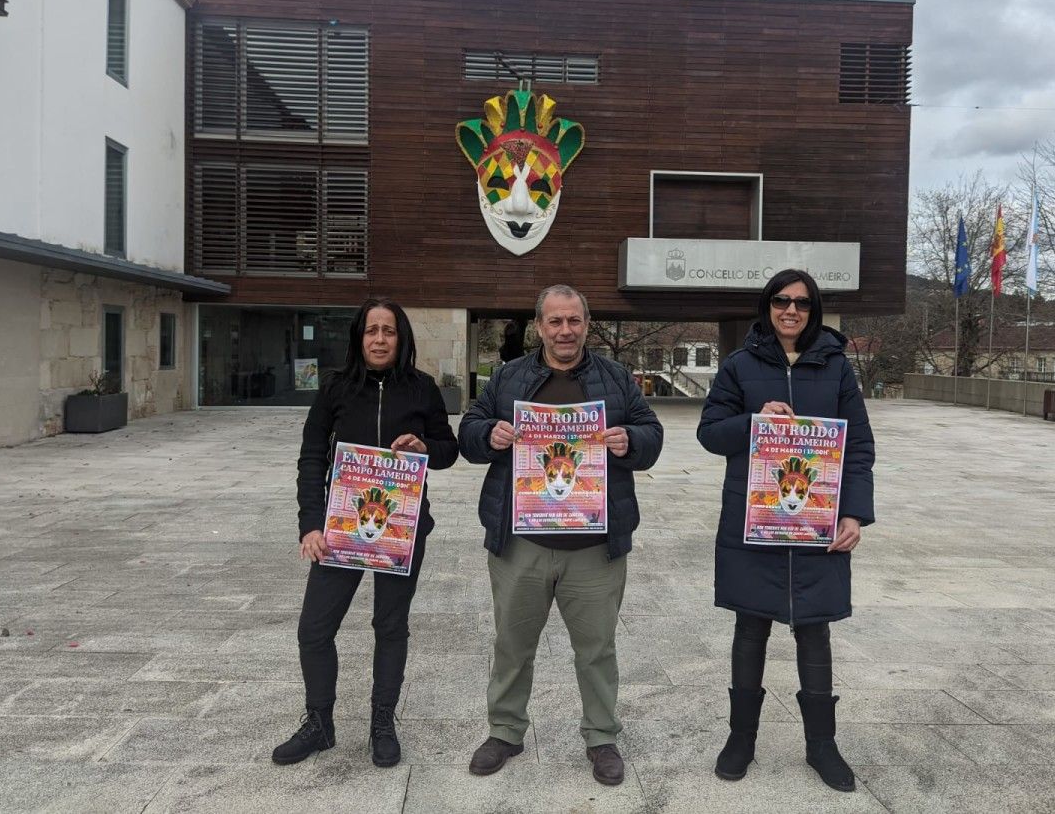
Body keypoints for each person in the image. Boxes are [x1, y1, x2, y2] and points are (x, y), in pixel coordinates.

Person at [459, 285, 663, 786]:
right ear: (539, 326)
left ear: (586, 324)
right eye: (555, 322)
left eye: (573, 321)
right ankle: (505, 730)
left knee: (596, 647)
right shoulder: (509, 376)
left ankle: (601, 736)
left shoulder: (616, 379)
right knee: (512, 642)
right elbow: (469, 427)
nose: (565, 331)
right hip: (521, 540)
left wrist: (629, 440)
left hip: (595, 545)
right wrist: (489, 435)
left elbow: (652, 434)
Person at [697, 269, 875, 792]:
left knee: (814, 629)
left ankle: (822, 745)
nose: (790, 310)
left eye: (800, 303)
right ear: (767, 306)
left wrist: (853, 513)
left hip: (816, 521)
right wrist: (755, 420)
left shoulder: (838, 369)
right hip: (755, 520)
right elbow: (710, 432)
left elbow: (858, 448)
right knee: (750, 627)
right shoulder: (739, 365)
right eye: (781, 301)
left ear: (812, 309)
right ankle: (741, 738)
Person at [272, 298, 459, 768]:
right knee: (314, 629)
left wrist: (424, 447)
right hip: (341, 528)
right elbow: (312, 456)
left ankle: (382, 722)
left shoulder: (422, 389)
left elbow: (448, 449)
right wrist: (310, 524)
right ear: (360, 337)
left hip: (402, 529)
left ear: (402, 338)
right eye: (371, 330)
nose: (379, 339)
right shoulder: (336, 388)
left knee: (390, 626)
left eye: (389, 331)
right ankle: (319, 722)